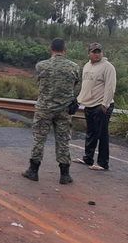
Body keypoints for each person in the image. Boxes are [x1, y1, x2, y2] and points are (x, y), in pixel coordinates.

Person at [22, 38, 81, 184]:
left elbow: (39, 82)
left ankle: (33, 171)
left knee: (39, 139)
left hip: (44, 109)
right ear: (64, 49)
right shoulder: (74, 67)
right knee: (63, 140)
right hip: (64, 109)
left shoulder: (41, 66)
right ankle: (65, 174)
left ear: (51, 49)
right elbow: (75, 84)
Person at [73, 42, 116, 171]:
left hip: (101, 105)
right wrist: (78, 100)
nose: (96, 54)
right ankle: (88, 158)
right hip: (89, 105)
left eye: (98, 52)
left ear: (102, 53)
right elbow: (85, 87)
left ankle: (103, 163)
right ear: (89, 53)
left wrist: (105, 104)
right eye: (94, 52)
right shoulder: (87, 66)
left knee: (102, 134)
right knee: (91, 132)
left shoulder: (108, 67)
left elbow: (110, 87)